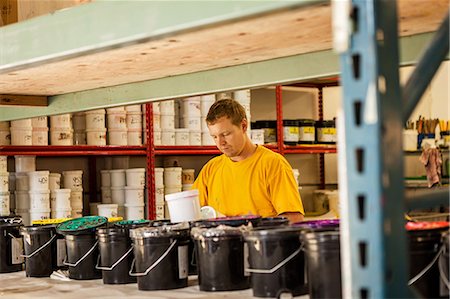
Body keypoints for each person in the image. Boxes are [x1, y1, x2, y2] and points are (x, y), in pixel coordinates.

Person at [192, 98, 304, 223]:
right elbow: (191, 213)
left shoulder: (273, 164)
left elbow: (294, 219)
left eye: (226, 134)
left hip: (258, 242)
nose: (220, 143)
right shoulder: (211, 169)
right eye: (214, 136)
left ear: (244, 126)